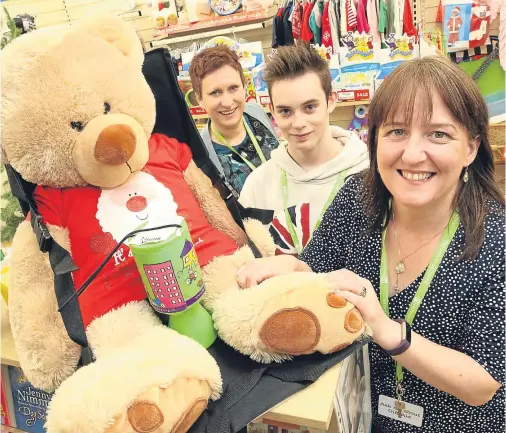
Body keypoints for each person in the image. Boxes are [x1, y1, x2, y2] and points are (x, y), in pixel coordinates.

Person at [236, 56, 505, 432]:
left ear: (472, 148)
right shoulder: (356, 201)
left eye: (438, 134)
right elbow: (318, 267)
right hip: (364, 414)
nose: (412, 154)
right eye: (396, 131)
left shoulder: (495, 241)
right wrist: (292, 268)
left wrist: (386, 329)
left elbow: (483, 383)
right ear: (374, 138)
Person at [239, 44, 369, 256]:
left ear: (330, 101)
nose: (298, 123)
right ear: (272, 111)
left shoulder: (368, 173)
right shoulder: (257, 185)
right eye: (285, 111)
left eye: (309, 107)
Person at [189, 45, 280, 193]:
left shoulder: (256, 113)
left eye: (233, 88)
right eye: (215, 92)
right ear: (199, 98)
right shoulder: (202, 157)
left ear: (244, 87)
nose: (227, 102)